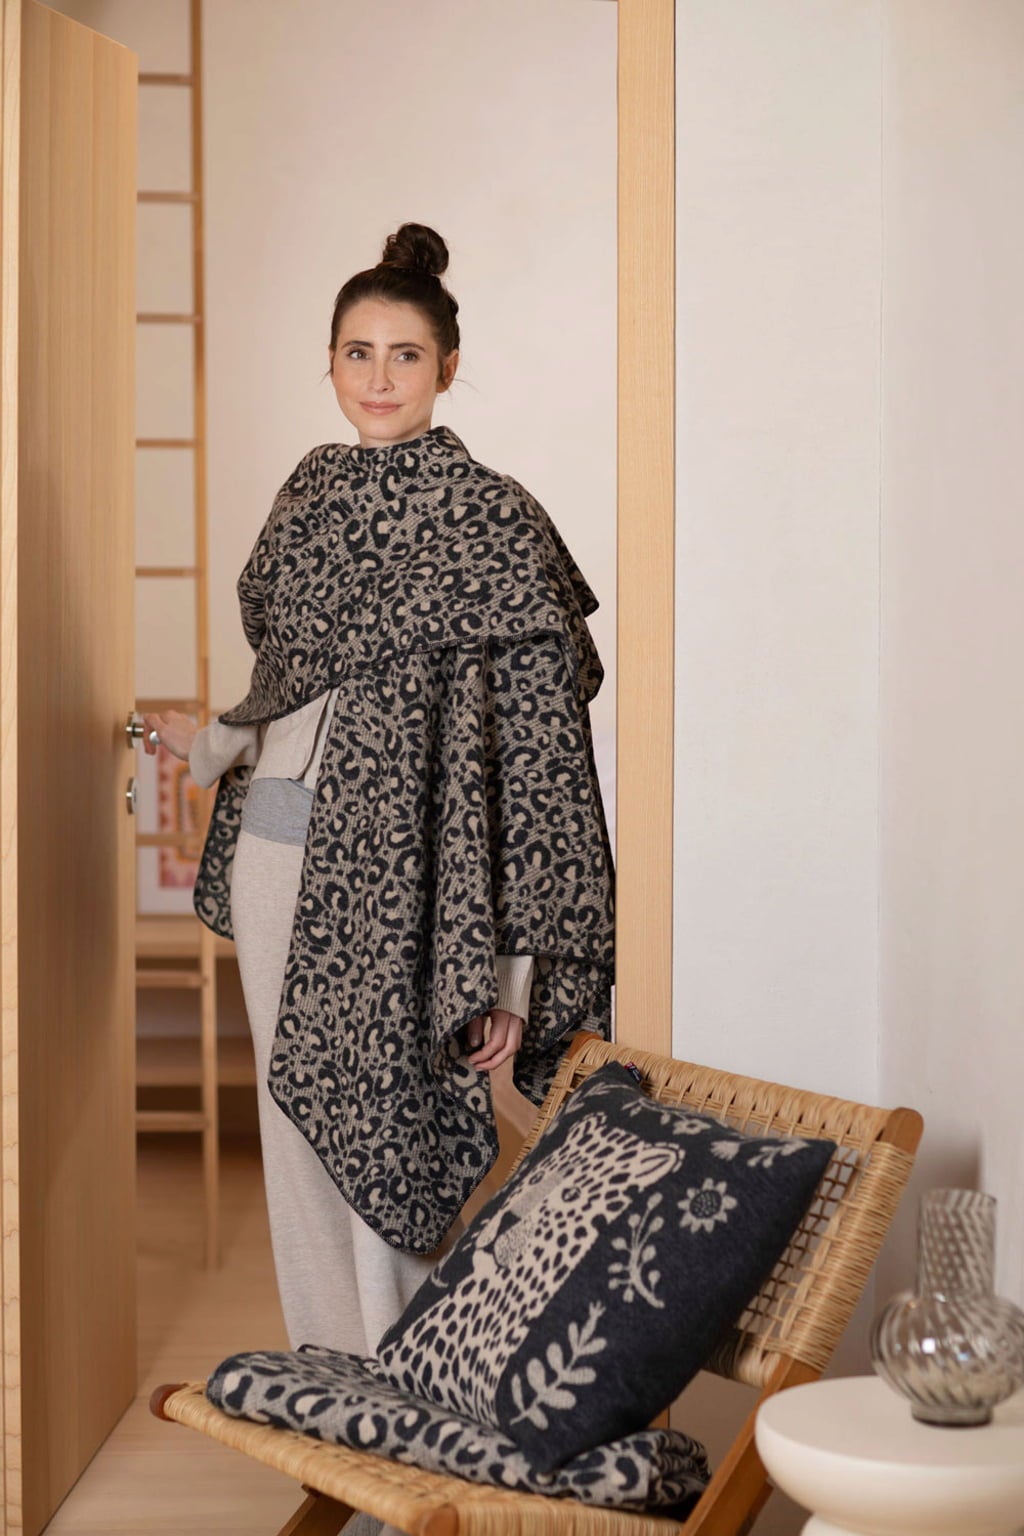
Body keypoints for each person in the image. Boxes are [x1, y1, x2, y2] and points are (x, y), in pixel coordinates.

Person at [144, 223, 614, 1358]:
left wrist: (510, 969)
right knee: (297, 1117)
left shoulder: (492, 519)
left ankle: (408, 1396)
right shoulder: (309, 496)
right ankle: (335, 1387)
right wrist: (210, 745)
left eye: (405, 355)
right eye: (357, 353)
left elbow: (534, 766)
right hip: (275, 853)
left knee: (396, 1116)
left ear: (447, 367)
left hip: (414, 879)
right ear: (330, 363)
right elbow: (292, 689)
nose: (380, 379)